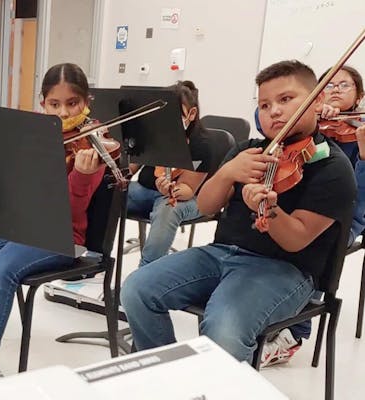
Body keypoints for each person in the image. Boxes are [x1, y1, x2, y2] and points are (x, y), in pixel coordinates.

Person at [120, 60, 355, 363]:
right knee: (137, 290)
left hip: (284, 270)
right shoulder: (249, 150)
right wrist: (228, 171)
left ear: (317, 100)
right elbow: (205, 206)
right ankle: (172, 376)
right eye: (265, 104)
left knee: (222, 330)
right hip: (220, 253)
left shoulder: (332, 167)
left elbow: (295, 239)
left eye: (286, 99)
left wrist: (269, 209)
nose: (275, 111)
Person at [0, 63, 106, 383]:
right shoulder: (33, 134)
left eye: (73, 103)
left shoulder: (92, 143)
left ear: (86, 103)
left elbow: (69, 210)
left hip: (63, 235)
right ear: (43, 103)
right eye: (54, 104)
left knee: (2, 270)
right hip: (21, 227)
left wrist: (81, 177)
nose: (64, 111)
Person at [262, 65, 365, 367]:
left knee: (313, 244)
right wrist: (311, 119)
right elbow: (263, 123)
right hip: (297, 205)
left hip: (343, 217)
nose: (335, 90)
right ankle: (266, 310)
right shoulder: (310, 123)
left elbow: (356, 200)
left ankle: (294, 332)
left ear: (359, 95)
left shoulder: (359, 134)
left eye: (343, 86)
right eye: (328, 86)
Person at [126, 80, 215, 267]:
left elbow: (188, 190)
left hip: (187, 198)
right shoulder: (152, 134)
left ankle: (147, 271)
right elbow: (129, 170)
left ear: (191, 114)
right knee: (108, 192)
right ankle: (95, 258)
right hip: (145, 190)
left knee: (168, 208)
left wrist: (170, 189)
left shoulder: (201, 144)